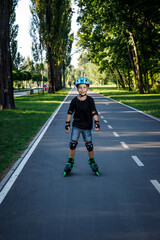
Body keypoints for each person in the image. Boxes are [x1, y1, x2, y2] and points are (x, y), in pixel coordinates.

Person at [64, 77, 100, 176]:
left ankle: (92, 161)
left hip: (87, 127)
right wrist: (67, 124)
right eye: (80, 87)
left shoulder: (90, 100)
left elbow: (94, 111)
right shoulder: (74, 101)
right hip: (76, 126)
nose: (82, 89)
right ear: (77, 88)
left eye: (84, 87)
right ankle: (70, 162)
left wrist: (97, 122)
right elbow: (70, 112)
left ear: (87, 88)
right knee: (72, 144)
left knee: (89, 145)